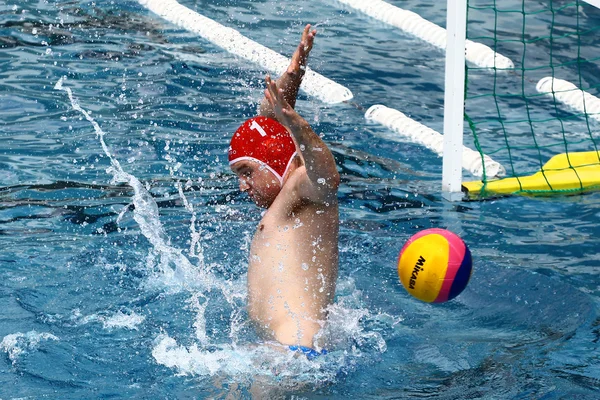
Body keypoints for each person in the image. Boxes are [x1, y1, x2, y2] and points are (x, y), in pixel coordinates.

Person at [228, 24, 340, 355]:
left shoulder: (303, 189)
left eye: (247, 171)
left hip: (293, 355)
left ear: (277, 163)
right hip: (277, 352)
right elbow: (270, 120)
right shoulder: (287, 202)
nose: (242, 184)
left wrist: (293, 120)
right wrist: (295, 69)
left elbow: (327, 175)